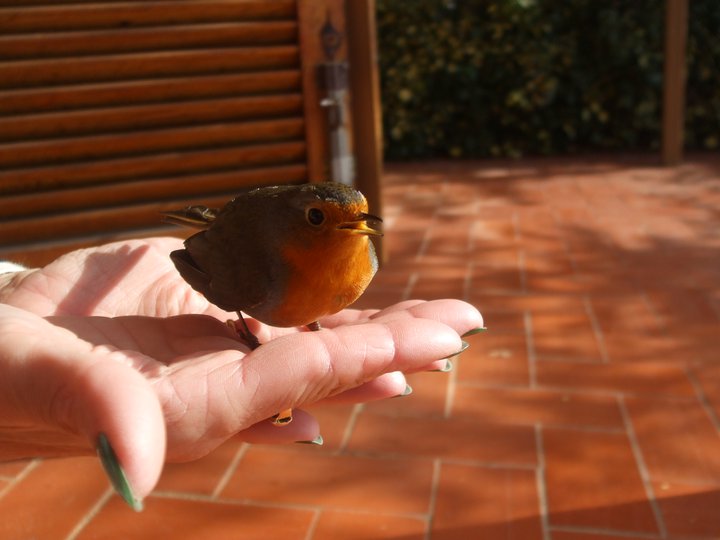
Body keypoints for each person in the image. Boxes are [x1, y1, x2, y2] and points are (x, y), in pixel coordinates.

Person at [0, 237, 483, 510]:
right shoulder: (265, 272)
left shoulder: (356, 257)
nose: (357, 231)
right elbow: (198, 261)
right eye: (319, 222)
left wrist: (10, 283)